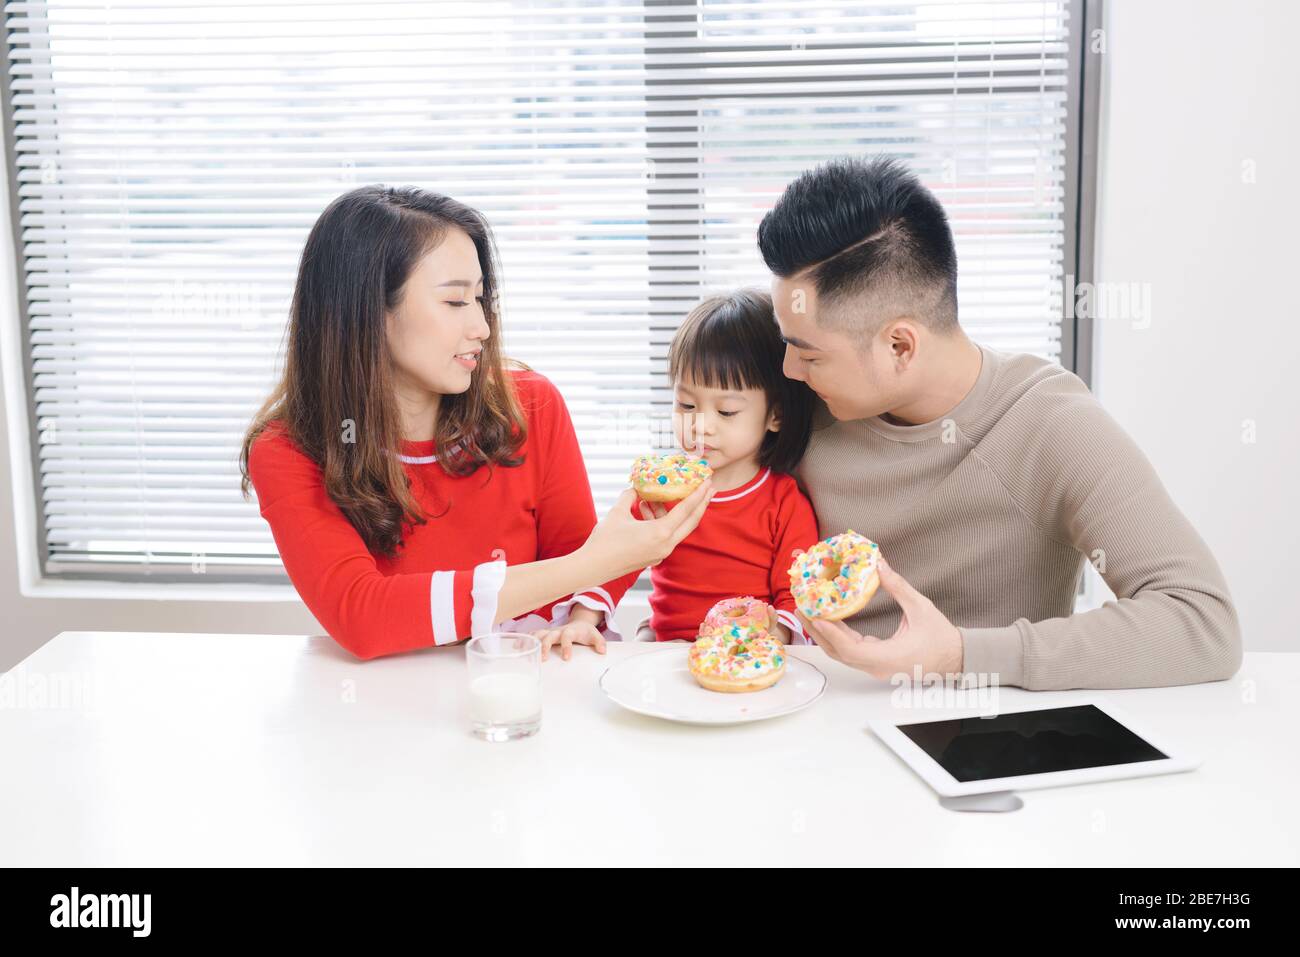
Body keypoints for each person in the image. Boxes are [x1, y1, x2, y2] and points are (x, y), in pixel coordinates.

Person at [758, 156, 1241, 690]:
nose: (788, 370)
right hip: (811, 723)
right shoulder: (797, 408)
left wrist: (963, 655)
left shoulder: (1048, 424)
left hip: (986, 741)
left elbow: (1204, 623)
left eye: (809, 353)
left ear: (900, 346)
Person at [240, 186, 712, 661]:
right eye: (454, 302)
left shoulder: (532, 405)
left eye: (482, 299)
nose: (482, 328)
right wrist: (598, 561)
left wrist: (597, 580)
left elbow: (574, 578)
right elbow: (361, 615)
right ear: (365, 311)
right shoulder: (288, 451)